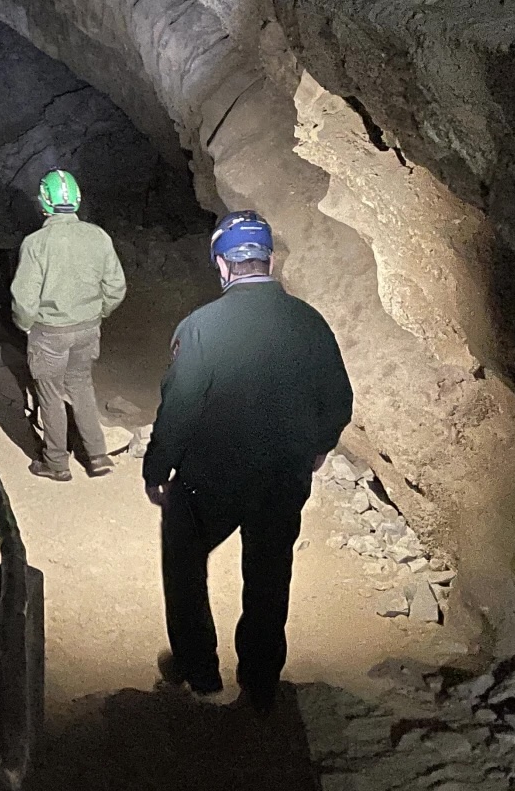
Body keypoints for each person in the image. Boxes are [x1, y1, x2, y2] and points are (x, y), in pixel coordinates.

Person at [143, 209, 353, 712]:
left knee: (184, 557)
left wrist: (157, 469)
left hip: (210, 478)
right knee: (268, 572)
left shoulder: (202, 326)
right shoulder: (309, 321)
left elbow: (180, 405)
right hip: (283, 475)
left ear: (221, 264)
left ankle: (200, 671)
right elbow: (339, 398)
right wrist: (318, 445)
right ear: (270, 259)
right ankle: (259, 680)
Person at [10, 169, 128, 481]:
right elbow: (116, 287)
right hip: (87, 329)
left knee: (49, 394)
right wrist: (98, 313)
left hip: (49, 332)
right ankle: (98, 455)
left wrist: (25, 325)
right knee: (81, 386)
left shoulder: (36, 243)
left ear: (43, 202)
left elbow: (24, 298)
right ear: (77, 200)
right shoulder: (98, 236)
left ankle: (56, 463)